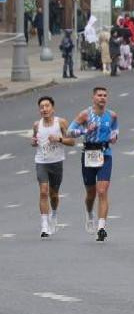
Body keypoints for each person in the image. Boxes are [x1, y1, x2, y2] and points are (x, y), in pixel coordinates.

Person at [67, 87, 120, 242]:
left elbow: (115, 128)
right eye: (99, 95)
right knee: (91, 193)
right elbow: (70, 132)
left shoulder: (112, 115)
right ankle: (90, 214)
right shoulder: (85, 114)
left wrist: (114, 135)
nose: (102, 98)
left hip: (105, 154)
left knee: (102, 191)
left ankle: (101, 227)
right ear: (93, 98)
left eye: (104, 95)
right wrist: (84, 130)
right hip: (89, 154)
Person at [32, 96, 73, 238]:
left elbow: (72, 141)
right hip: (41, 161)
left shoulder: (60, 123)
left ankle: (54, 213)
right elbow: (34, 140)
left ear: (52, 108)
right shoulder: (37, 125)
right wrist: (34, 142)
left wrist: (59, 139)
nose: (44, 109)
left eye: (47, 106)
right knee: (43, 192)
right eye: (42, 107)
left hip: (56, 162)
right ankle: (44, 225)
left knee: (53, 194)